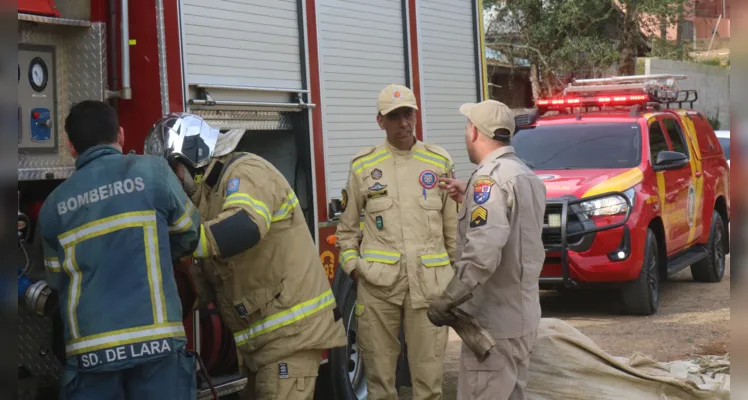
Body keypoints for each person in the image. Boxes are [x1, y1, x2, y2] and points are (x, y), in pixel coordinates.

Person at [144, 114, 347, 400]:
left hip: (291, 337)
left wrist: (182, 240)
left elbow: (245, 226)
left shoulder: (245, 172)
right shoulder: (206, 198)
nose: (173, 181)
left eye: (172, 170)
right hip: (262, 346)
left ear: (191, 156)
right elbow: (209, 274)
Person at [38, 100, 200, 400]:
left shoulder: (52, 208)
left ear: (72, 147)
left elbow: (56, 281)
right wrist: (160, 251)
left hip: (90, 357)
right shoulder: (154, 173)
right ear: (121, 135)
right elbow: (190, 233)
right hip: (158, 347)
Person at [335, 84, 458, 400]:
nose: (404, 123)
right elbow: (347, 230)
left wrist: (459, 281)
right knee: (379, 383)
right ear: (381, 121)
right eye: (395, 116)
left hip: (429, 287)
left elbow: (453, 232)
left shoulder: (438, 161)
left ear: (416, 114)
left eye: (408, 114)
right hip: (378, 288)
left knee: (429, 384)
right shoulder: (364, 166)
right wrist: (353, 268)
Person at [428, 100, 546, 400]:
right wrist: (468, 196)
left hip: (494, 325)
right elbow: (514, 227)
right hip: (521, 317)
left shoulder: (488, 180)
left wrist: (448, 298)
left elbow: (483, 251)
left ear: (475, 132)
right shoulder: (524, 175)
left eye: (466, 127)